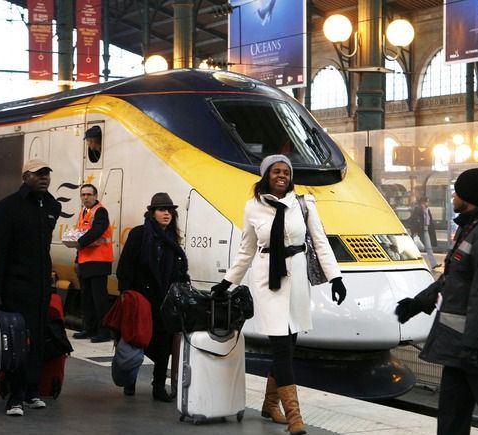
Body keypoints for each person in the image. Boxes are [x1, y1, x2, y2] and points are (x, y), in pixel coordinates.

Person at [211, 155, 347, 435]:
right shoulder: (253, 208)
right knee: (282, 347)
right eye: (276, 171)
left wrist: (336, 278)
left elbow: (320, 242)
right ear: (266, 176)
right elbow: (247, 250)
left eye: (286, 171)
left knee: (288, 346)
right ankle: (295, 418)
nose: (282, 175)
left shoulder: (303, 204)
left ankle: (269, 404)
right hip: (267, 282)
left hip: (296, 281)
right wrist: (228, 282)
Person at [395, 168, 478, 435]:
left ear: (468, 196)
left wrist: (473, 347)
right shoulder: (472, 229)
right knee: (452, 414)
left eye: (457, 191)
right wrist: (418, 303)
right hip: (461, 348)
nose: (453, 195)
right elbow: (452, 278)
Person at [0, 158, 60, 416]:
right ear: (25, 176)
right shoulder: (7, 207)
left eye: (47, 174)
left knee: (37, 339)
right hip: (14, 286)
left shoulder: (52, 206)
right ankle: (14, 396)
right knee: (18, 341)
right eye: (39, 174)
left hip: (40, 287)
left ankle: (31, 390)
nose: (44, 178)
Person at [116, 192, 188, 402]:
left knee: (164, 344)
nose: (167, 214)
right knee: (137, 340)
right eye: (161, 210)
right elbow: (126, 265)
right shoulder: (139, 234)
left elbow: (179, 270)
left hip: (164, 300)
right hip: (141, 299)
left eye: (170, 210)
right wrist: (125, 293)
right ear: (151, 213)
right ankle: (130, 381)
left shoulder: (172, 239)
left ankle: (158, 387)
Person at [72, 183, 113, 343]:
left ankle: (104, 331)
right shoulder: (84, 212)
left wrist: (80, 242)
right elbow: (80, 234)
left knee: (99, 299)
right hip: (85, 261)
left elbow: (97, 230)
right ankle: (89, 329)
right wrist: (77, 258)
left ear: (95, 196)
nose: (86, 197)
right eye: (83, 195)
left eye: (89, 194)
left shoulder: (100, 211)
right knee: (87, 298)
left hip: (99, 261)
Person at [409, 196, 440, 270]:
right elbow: (413, 220)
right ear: (423, 202)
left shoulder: (427, 209)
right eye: (427, 201)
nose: (428, 203)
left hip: (426, 230)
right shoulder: (417, 209)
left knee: (429, 248)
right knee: (417, 248)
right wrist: (415, 232)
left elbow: (429, 220)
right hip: (419, 231)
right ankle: (414, 263)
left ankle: (433, 264)